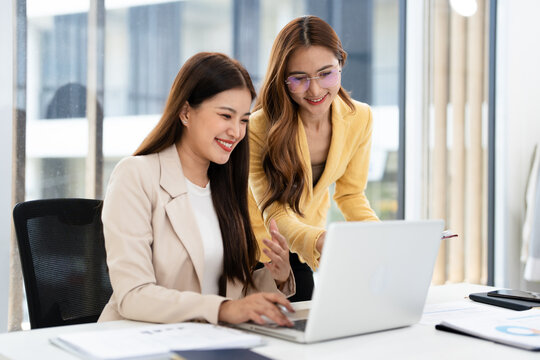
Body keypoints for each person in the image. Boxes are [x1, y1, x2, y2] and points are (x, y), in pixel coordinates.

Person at [99, 52, 295, 327]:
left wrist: (278, 275)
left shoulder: (225, 188)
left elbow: (234, 297)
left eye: (243, 120)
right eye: (226, 115)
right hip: (142, 341)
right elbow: (133, 295)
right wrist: (222, 310)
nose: (236, 132)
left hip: (208, 339)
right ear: (185, 112)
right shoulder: (136, 175)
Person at [248, 16, 379, 301]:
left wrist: (379, 240)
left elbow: (351, 195)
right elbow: (274, 212)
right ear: (282, 79)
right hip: (255, 252)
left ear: (341, 63)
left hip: (304, 249)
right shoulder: (258, 127)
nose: (316, 90)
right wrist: (320, 240)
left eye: (326, 74)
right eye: (299, 79)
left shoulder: (360, 117)